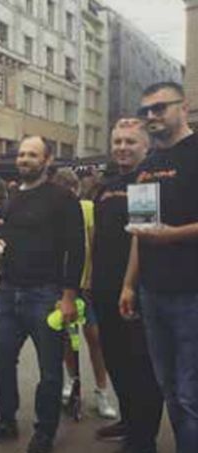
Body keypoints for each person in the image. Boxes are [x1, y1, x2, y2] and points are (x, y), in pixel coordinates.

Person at [0, 136, 84, 453]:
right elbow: (8, 238)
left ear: (47, 160)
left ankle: (45, 432)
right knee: (0, 362)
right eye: (22, 154)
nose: (24, 159)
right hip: (8, 293)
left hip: (46, 295)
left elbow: (77, 250)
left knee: (49, 371)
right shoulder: (13, 197)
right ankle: (6, 420)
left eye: (32, 155)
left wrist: (69, 296)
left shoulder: (63, 198)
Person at [119, 81, 198, 453]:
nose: (151, 115)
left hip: (192, 294)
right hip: (152, 294)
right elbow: (142, 231)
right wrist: (129, 284)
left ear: (184, 106)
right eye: (145, 110)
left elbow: (161, 234)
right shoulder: (147, 166)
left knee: (189, 394)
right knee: (170, 390)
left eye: (159, 108)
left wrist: (174, 235)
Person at [92, 118, 163, 453]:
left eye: (130, 142)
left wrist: (129, 285)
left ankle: (143, 439)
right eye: (118, 141)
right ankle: (129, 419)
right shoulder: (106, 185)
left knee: (141, 366)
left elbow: (144, 235)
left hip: (134, 292)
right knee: (116, 360)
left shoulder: (148, 181)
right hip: (103, 289)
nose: (122, 147)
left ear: (146, 146)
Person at [50, 168, 117, 420]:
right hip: (61, 286)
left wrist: (90, 280)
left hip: (86, 286)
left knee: (95, 339)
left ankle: (102, 390)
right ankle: (72, 381)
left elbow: (93, 246)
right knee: (68, 338)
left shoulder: (87, 209)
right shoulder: (53, 213)